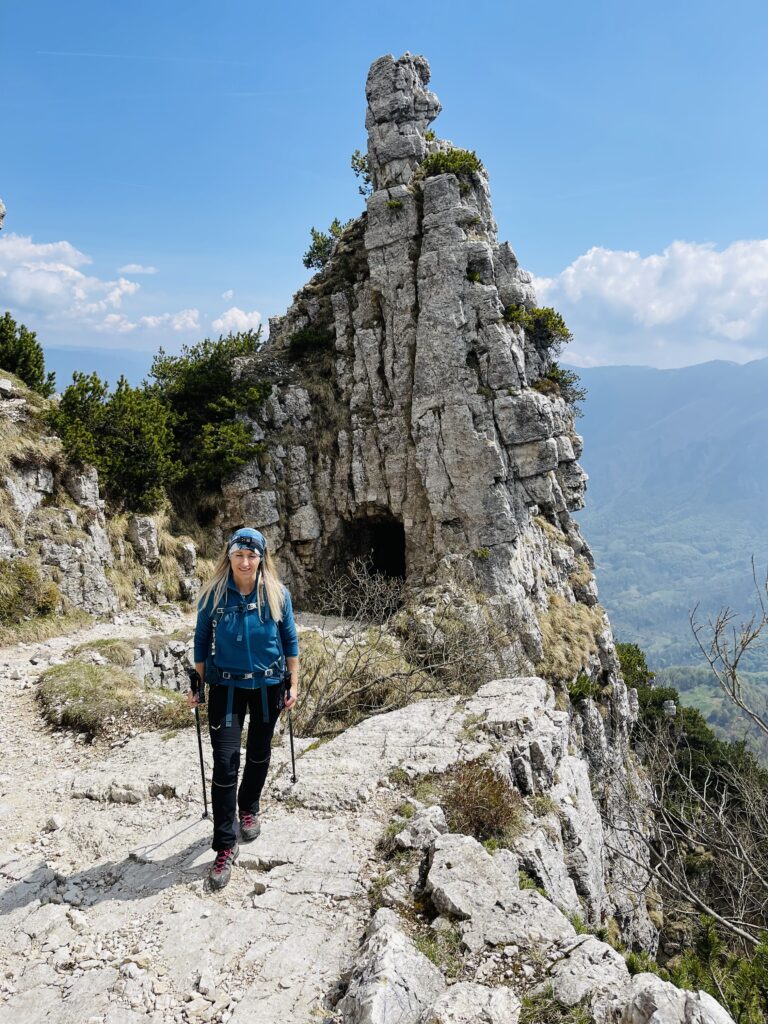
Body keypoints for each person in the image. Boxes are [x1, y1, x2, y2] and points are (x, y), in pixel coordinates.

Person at [189, 526, 299, 889]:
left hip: (268, 685)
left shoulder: (278, 595)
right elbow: (201, 641)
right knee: (224, 762)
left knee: (258, 753)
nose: (246, 561)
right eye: (240, 554)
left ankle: (248, 807)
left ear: (261, 558)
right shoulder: (213, 596)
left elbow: (290, 641)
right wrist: (198, 683)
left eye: (252, 555)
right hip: (227, 688)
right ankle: (224, 844)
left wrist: (293, 681)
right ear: (230, 556)